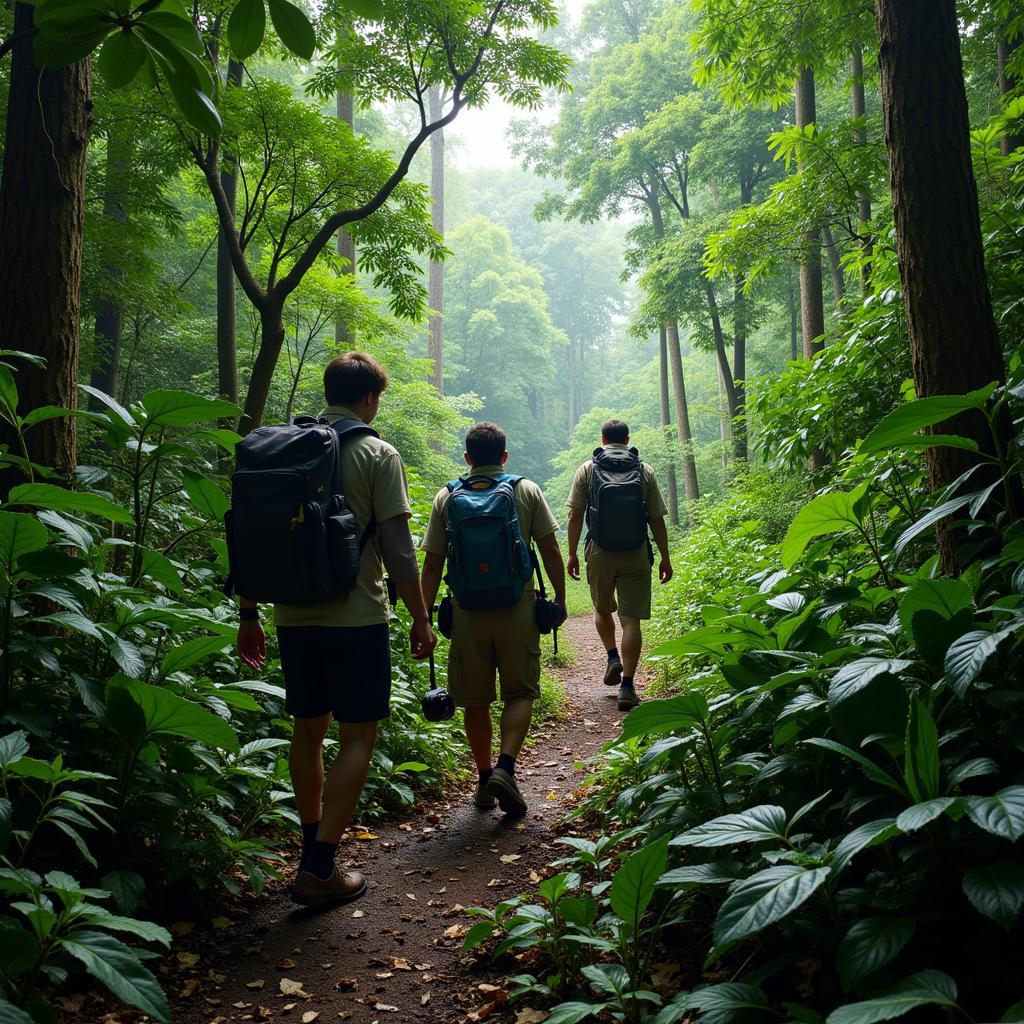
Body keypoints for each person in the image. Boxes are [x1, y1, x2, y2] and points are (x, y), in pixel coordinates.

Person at [236, 352, 436, 907]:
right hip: (358, 619)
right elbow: (398, 548)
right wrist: (421, 618)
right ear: (370, 397)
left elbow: (252, 537)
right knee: (357, 737)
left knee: (307, 730)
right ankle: (320, 866)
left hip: (291, 615)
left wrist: (248, 613)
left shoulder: (282, 450)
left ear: (329, 392)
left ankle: (309, 849)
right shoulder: (377, 453)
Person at [420, 422, 566, 817]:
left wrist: (424, 618)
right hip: (516, 606)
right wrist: (558, 598)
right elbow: (550, 549)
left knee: (475, 699)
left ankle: (485, 780)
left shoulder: (447, 497)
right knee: (519, 692)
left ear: (467, 458)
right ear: (504, 456)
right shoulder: (526, 489)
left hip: (466, 609)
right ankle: (506, 767)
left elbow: (433, 563)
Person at [566, 418, 672, 711]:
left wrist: (572, 553)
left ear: (602, 439)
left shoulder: (588, 470)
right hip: (636, 551)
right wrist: (665, 556)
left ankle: (612, 656)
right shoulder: (643, 470)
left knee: (602, 609)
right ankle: (627, 686)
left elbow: (575, 516)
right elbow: (656, 518)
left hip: (600, 551)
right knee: (631, 620)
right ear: (627, 440)